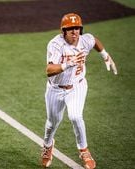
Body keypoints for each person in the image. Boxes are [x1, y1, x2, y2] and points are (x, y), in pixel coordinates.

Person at [41, 13, 117, 169]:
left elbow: (94, 40)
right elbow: (48, 70)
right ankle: (48, 145)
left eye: (77, 28)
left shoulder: (84, 40)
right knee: (52, 123)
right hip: (55, 89)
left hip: (77, 86)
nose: (75, 32)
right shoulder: (56, 45)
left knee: (75, 116)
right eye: (71, 29)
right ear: (64, 31)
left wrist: (105, 55)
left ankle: (84, 150)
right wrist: (67, 64)